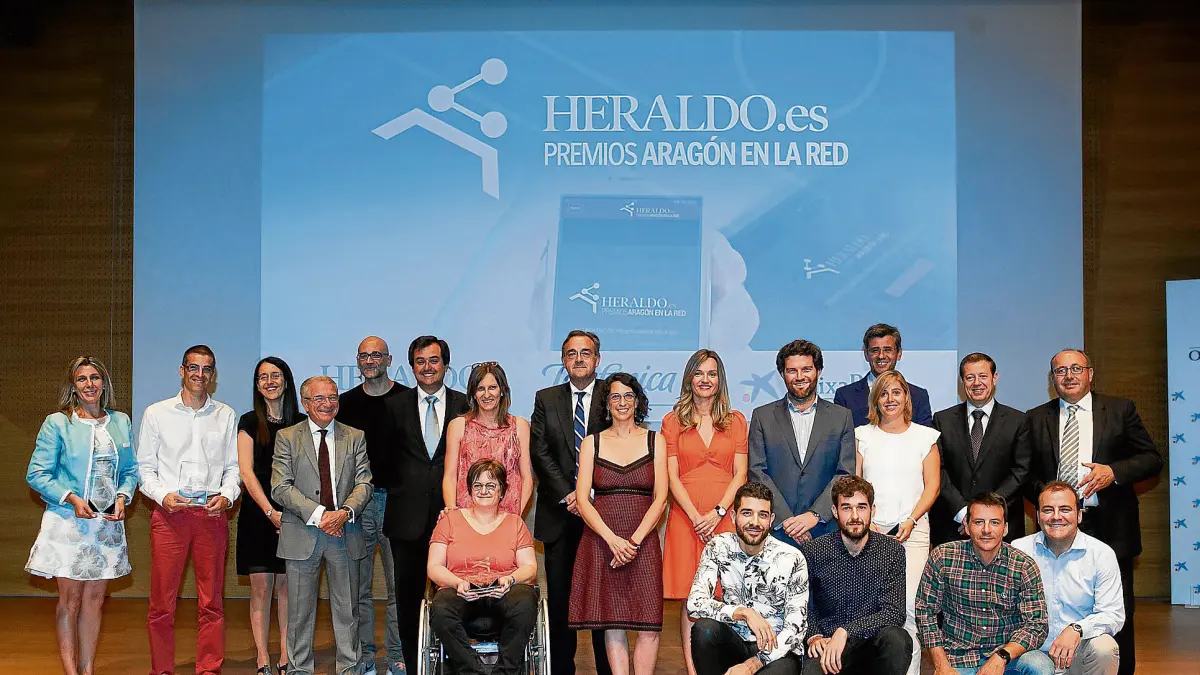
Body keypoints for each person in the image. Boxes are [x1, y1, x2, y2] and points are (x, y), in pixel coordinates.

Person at [1024, 349, 1162, 675]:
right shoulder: (1035, 417)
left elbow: (1151, 459)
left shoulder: (1119, 410)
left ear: (1090, 373)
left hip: (1110, 524)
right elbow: (1024, 472)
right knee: (1055, 600)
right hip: (1056, 527)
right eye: (1060, 371)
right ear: (1052, 378)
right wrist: (1051, 501)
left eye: (1076, 368)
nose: (1069, 376)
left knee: (1118, 610)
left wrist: (1113, 472)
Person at [25, 356, 139, 675]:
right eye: (82, 379)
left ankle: (87, 669)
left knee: (95, 600)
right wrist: (72, 498)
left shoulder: (121, 421)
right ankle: (70, 671)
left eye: (95, 378)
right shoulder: (57, 423)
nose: (89, 384)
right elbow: (37, 474)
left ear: (104, 383)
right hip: (69, 523)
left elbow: (130, 471)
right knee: (70, 601)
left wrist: (123, 496)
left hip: (106, 525)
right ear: (73, 387)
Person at [137, 345, 241, 675]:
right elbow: (144, 468)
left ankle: (209, 669)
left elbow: (233, 468)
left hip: (211, 515)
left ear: (213, 374)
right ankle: (161, 670)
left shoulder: (225, 414)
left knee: (211, 601)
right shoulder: (156, 413)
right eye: (193, 367)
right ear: (181, 371)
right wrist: (161, 496)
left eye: (207, 369)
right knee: (161, 603)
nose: (200, 374)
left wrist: (227, 496)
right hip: (170, 516)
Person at [271, 375, 374, 675]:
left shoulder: (355, 436)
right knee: (299, 613)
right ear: (305, 403)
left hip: (345, 532)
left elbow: (364, 483)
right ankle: (299, 670)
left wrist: (343, 512)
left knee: (348, 611)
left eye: (332, 397)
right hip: (302, 533)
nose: (327, 404)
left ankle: (349, 668)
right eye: (319, 398)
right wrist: (320, 515)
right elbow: (280, 486)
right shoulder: (287, 437)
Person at [569, 372, 669, 675]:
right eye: (615, 396)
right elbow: (582, 499)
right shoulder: (592, 443)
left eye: (628, 396)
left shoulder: (656, 441)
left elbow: (661, 498)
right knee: (613, 623)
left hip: (643, 542)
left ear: (637, 401)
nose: (622, 402)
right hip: (603, 542)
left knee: (649, 623)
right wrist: (613, 540)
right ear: (607, 403)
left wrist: (634, 542)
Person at [383, 336, 470, 675]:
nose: (427, 367)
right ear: (412, 366)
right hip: (406, 520)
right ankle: (414, 666)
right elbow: (384, 460)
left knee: (456, 598)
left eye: (434, 360)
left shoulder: (465, 404)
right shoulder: (394, 405)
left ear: (446, 365)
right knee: (407, 601)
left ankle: (452, 665)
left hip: (455, 518)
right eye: (420, 361)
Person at [530, 330, 613, 675]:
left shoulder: (614, 395)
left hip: (604, 515)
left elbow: (622, 445)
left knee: (603, 601)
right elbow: (539, 451)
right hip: (560, 514)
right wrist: (571, 495)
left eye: (585, 353)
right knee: (561, 600)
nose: (579, 359)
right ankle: (562, 668)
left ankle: (608, 668)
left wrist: (590, 496)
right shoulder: (546, 398)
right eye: (571, 353)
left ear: (597, 359)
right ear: (563, 360)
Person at [662, 349, 748, 675]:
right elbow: (671, 476)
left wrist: (718, 511)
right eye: (699, 373)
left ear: (719, 379)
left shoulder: (736, 420)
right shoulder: (672, 421)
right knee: (691, 597)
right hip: (686, 520)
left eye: (712, 374)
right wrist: (696, 517)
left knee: (728, 594)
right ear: (689, 379)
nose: (705, 380)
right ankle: (694, 670)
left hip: (725, 518)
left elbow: (740, 474)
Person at [854, 370, 940, 675]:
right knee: (871, 608)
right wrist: (867, 522)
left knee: (911, 609)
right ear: (875, 400)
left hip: (913, 533)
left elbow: (933, 486)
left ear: (906, 397)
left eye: (896, 392)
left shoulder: (926, 437)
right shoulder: (862, 435)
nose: (890, 399)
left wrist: (912, 519)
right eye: (883, 393)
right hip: (870, 533)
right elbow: (855, 484)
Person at [915, 493, 1053, 675]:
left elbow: (1037, 625)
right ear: (967, 526)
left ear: (1005, 528)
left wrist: (1001, 656)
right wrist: (942, 665)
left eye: (994, 522)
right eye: (979, 522)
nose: (986, 530)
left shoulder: (1023, 565)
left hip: (1008, 656)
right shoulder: (943, 557)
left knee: (1040, 666)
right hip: (958, 656)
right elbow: (925, 612)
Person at [337, 336, 409, 675]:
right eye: (364, 355)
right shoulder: (345, 403)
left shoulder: (407, 399)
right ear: (357, 360)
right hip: (358, 505)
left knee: (398, 587)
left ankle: (397, 654)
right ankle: (364, 654)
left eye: (376, 355)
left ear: (388, 360)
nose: (370, 360)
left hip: (397, 504)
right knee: (358, 586)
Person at [427, 459, 539, 675]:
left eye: (491, 485)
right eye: (477, 485)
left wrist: (510, 579)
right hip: (461, 589)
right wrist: (456, 583)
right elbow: (434, 567)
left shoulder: (515, 523)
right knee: (440, 609)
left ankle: (504, 672)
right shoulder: (449, 520)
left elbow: (529, 567)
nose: (484, 491)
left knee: (525, 602)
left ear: (502, 491)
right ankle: (471, 671)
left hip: (503, 589)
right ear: (469, 489)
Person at [687, 482, 808, 675]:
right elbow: (694, 604)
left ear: (771, 520)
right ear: (733, 517)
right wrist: (743, 613)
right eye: (747, 513)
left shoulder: (792, 558)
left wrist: (753, 664)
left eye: (763, 515)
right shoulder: (719, 546)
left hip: (776, 649)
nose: (755, 522)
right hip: (734, 640)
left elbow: (795, 629)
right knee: (705, 629)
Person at [800, 476, 911, 675]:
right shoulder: (815, 550)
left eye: (861, 507)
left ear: (872, 511)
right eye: (846, 508)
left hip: (873, 643)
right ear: (835, 511)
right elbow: (803, 604)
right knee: (812, 671)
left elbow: (894, 612)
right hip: (829, 645)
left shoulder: (892, 551)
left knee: (898, 640)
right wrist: (814, 636)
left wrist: (846, 631)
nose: (854, 516)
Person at [749, 340, 855, 548]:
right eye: (792, 371)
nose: (799, 377)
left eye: (806, 369)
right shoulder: (762, 416)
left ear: (819, 371)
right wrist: (787, 521)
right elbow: (757, 472)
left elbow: (845, 473)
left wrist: (815, 515)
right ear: (782, 374)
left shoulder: (841, 417)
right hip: (777, 531)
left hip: (825, 530)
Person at [237, 357, 304, 675]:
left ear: (286, 381)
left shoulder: (302, 422)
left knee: (288, 589)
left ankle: (286, 654)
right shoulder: (248, 421)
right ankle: (262, 656)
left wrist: (288, 514)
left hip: (293, 514)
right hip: (258, 513)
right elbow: (246, 472)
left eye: (275, 375)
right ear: (257, 385)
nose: (269, 381)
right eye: (262, 377)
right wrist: (269, 512)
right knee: (261, 588)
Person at [1013, 482, 1124, 675]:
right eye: (1048, 510)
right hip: (1032, 651)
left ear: (1079, 515)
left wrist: (1077, 629)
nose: (1056, 516)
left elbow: (1113, 614)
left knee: (1105, 648)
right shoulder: (1019, 550)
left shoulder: (1101, 554)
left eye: (1065, 509)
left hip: (1078, 649)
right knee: (1036, 665)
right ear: (1038, 516)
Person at [930, 353, 1032, 547]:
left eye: (983, 376)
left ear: (995, 378)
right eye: (970, 377)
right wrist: (963, 512)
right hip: (952, 526)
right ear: (962, 382)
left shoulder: (1018, 421)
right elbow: (938, 470)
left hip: (1002, 525)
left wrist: (987, 512)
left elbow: (1021, 471)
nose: (977, 383)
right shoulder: (942, 420)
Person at [443, 362, 532, 515]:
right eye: (480, 389)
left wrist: (516, 517)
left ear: (502, 390)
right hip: (467, 516)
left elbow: (527, 478)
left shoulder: (520, 426)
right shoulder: (458, 426)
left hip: (508, 516)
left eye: (492, 387)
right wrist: (452, 511)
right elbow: (450, 476)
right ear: (473, 394)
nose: (486, 394)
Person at [834, 324, 933, 428]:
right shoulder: (845, 396)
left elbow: (925, 436)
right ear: (866, 354)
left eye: (887, 350)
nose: (881, 356)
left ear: (899, 353)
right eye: (875, 350)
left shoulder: (918, 396)